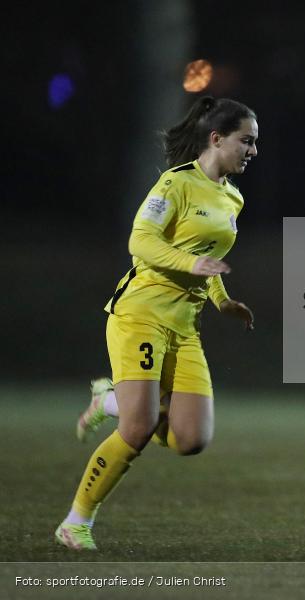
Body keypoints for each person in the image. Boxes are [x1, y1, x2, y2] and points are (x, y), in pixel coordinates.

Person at [54, 96, 258, 550]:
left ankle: (110, 400)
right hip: (140, 315)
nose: (253, 151)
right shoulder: (175, 184)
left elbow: (211, 261)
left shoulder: (233, 197)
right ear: (216, 138)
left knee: (191, 439)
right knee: (139, 428)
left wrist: (223, 301)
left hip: (185, 327)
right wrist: (191, 264)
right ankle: (76, 521)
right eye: (246, 141)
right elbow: (141, 241)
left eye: (255, 143)